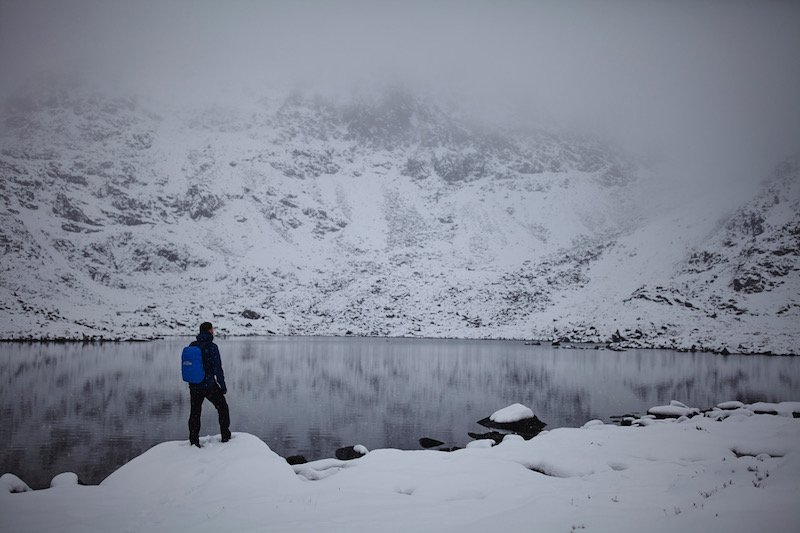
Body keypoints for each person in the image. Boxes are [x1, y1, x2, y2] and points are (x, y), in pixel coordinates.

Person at [187, 321, 231, 447]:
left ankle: (194, 440)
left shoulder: (192, 345)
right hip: (208, 385)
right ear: (210, 331)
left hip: (194, 385)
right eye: (213, 329)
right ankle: (225, 436)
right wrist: (222, 386)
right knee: (222, 408)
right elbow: (217, 368)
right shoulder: (211, 347)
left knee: (195, 412)